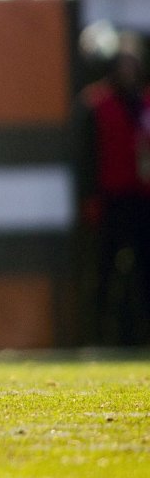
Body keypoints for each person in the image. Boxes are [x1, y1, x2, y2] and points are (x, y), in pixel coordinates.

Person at [71, 31, 150, 346]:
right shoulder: (95, 103)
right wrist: (89, 199)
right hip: (110, 200)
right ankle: (98, 339)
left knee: (144, 275)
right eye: (122, 63)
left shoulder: (145, 103)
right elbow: (85, 157)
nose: (127, 70)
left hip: (143, 200)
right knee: (103, 274)